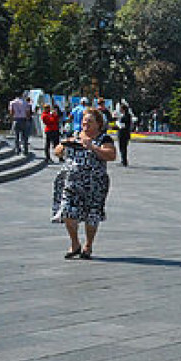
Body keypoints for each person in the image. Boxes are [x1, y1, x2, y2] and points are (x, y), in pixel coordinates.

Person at [51, 107, 116, 259]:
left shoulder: (104, 139)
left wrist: (92, 147)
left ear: (98, 124)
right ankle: (75, 243)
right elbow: (57, 151)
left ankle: (88, 245)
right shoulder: (74, 135)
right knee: (67, 211)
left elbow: (111, 155)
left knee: (92, 214)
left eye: (89, 121)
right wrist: (64, 144)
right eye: (84, 121)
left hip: (95, 183)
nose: (85, 124)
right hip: (71, 182)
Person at [8, 91, 32, 155]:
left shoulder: (12, 102)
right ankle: (25, 150)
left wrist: (12, 119)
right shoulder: (26, 103)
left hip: (16, 119)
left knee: (16, 136)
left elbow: (11, 112)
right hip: (24, 119)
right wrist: (28, 119)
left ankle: (17, 149)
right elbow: (28, 113)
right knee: (25, 136)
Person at [115, 100, 133, 167]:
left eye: (121, 109)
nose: (120, 110)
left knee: (123, 147)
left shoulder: (126, 116)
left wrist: (118, 123)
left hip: (123, 133)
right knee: (122, 148)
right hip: (125, 133)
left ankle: (124, 161)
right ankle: (123, 160)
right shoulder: (126, 115)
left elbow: (124, 125)